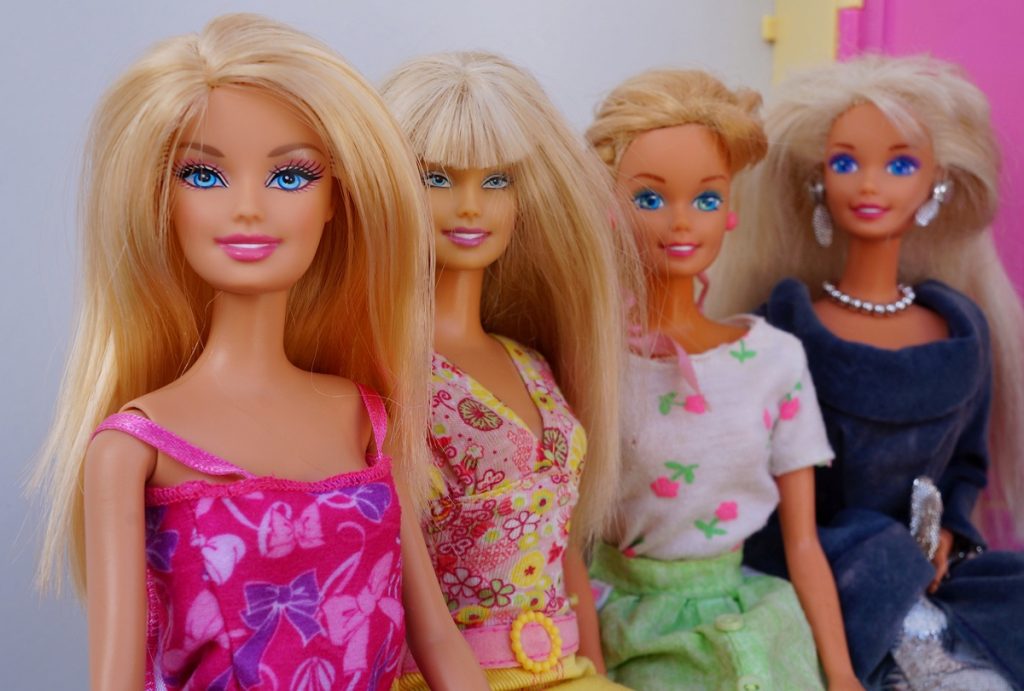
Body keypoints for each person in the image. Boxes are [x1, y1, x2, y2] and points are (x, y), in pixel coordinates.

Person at [32, 14, 486, 690]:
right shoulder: (133, 447)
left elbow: (439, 639)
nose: (247, 207)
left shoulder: (365, 418)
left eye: (290, 176)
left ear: (336, 199)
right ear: (161, 199)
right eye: (204, 175)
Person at [711, 55, 1024, 689]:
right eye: (846, 163)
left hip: (931, 573)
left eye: (900, 165)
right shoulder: (785, 329)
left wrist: (950, 531)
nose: (870, 186)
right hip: (817, 566)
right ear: (817, 182)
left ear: (936, 185)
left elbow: (965, 464)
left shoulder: (961, 328)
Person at [585, 69, 860, 690]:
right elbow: (567, 542)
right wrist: (592, 675)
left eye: (706, 200)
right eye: (650, 199)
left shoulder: (773, 359)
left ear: (729, 213)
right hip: (630, 627)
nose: (682, 222)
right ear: (610, 210)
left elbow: (803, 544)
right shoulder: (592, 363)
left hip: (750, 614)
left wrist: (842, 673)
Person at [381, 51, 637, 689]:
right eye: (437, 179)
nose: (470, 206)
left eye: (495, 181)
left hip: (568, 669)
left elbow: (564, 550)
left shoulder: (532, 362)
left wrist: (597, 670)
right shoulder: (389, 372)